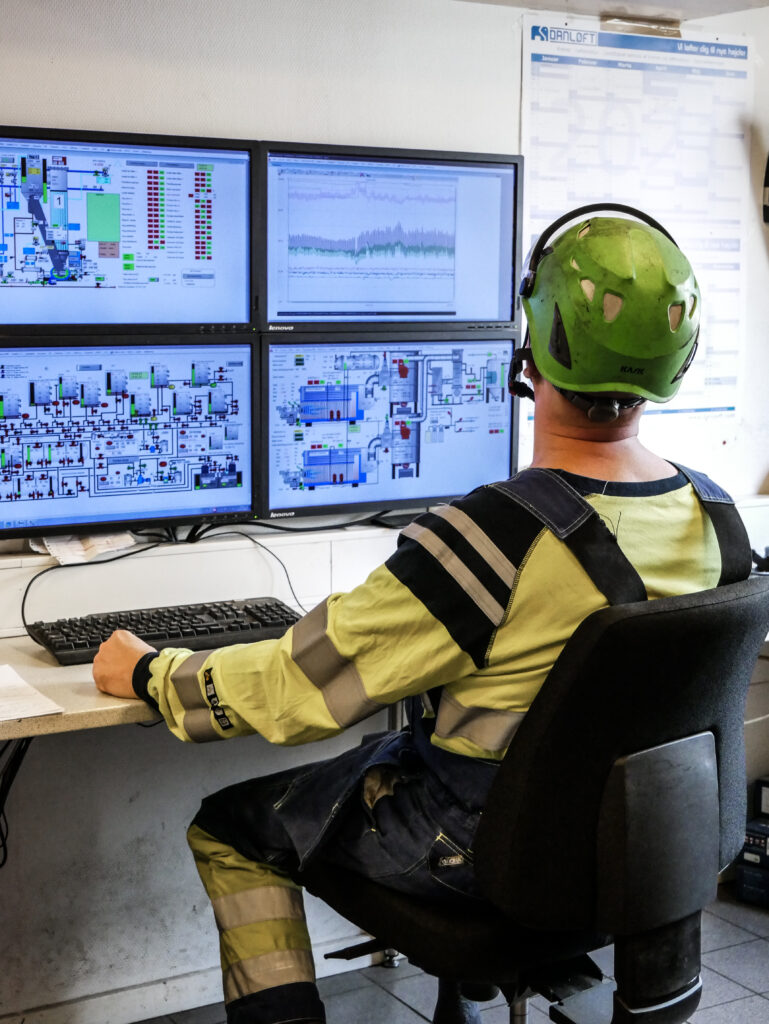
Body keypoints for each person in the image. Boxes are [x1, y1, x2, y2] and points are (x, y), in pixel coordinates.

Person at [93, 204, 751, 1024]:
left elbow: (298, 689)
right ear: (678, 360)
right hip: (640, 851)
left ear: (531, 349)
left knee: (233, 827)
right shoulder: (719, 519)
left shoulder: (495, 536)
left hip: (483, 852)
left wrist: (152, 674)